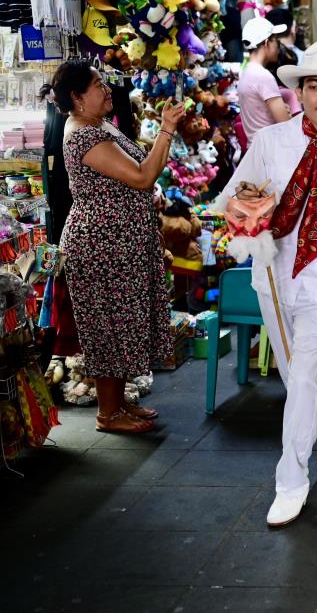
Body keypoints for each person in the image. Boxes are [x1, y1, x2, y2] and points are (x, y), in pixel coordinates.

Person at [219, 39, 317, 527]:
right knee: (296, 378)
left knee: (305, 375)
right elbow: (232, 195)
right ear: (301, 92)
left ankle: (290, 480)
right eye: (315, 87)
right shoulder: (271, 142)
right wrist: (247, 206)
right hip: (272, 271)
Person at [50, 60, 186, 433]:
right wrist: (167, 130)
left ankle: (119, 403)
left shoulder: (97, 124)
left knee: (123, 322)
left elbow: (139, 172)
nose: (107, 89)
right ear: (78, 97)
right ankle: (107, 414)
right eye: (97, 85)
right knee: (108, 326)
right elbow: (142, 177)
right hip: (101, 245)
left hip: (120, 241)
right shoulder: (82, 135)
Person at [238, 16, 291, 145]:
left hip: (256, 150)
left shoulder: (246, 73)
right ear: (267, 43)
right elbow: (285, 124)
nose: (279, 47)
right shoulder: (263, 76)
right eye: (276, 42)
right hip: (270, 151)